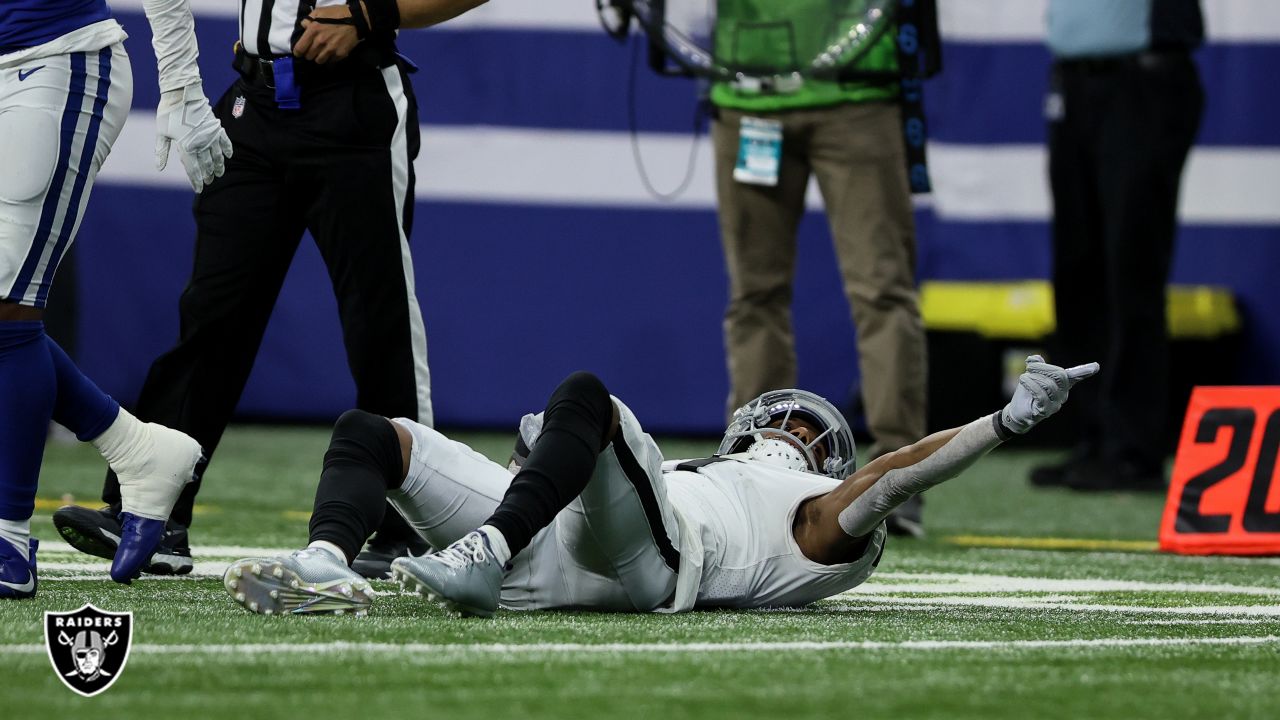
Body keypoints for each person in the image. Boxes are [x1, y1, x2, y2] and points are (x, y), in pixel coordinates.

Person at [53, 0, 491, 579]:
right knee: (212, 316)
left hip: (352, 103)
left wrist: (369, 13)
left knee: (377, 323)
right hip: (254, 100)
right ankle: (153, 511)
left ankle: (404, 525)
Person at [222, 356, 1098, 617]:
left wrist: (1004, 422)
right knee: (372, 433)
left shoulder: (815, 514)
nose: (788, 432)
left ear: (823, 459)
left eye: (804, 429)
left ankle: (484, 550)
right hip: (564, 542)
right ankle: (326, 561)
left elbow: (890, 475)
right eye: (785, 419)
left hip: (656, 555)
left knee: (585, 397)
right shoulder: (705, 464)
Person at [1, 0, 232, 595]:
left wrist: (182, 86)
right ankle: (139, 448)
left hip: (52, 59)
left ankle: (7, 539)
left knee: (8, 305)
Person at [709, 2, 940, 537]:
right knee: (755, 295)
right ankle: (751, 471)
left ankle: (899, 481)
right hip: (748, 90)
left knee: (881, 292)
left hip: (857, 88)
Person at [1030, 0, 1203, 493]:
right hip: (1075, 81)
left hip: (1142, 80)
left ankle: (1133, 449)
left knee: (1131, 267)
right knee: (1077, 269)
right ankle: (1094, 436)